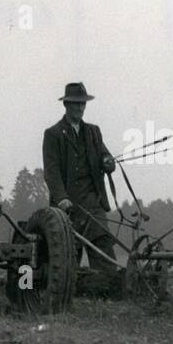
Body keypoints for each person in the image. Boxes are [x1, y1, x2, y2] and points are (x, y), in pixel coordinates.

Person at [42, 82, 118, 274]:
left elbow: (106, 158)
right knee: (66, 261)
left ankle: (108, 286)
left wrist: (108, 162)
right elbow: (52, 172)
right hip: (67, 207)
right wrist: (61, 198)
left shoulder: (94, 132)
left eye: (83, 104)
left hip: (94, 204)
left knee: (103, 250)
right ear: (66, 105)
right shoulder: (53, 134)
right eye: (76, 103)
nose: (80, 107)